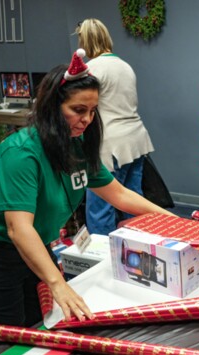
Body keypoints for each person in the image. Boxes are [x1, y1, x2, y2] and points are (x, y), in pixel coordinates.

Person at [0, 50, 175, 355]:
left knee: (40, 328)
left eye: (93, 111)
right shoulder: (20, 152)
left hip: (34, 250)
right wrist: (56, 282)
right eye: (78, 110)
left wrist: (174, 221)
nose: (88, 119)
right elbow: (18, 228)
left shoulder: (77, 146)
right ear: (53, 108)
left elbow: (118, 194)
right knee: (4, 343)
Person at [76, 18, 156, 235]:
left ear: (85, 41)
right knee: (134, 202)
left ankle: (102, 259)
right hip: (136, 140)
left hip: (110, 146)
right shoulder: (125, 66)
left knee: (100, 208)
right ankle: (138, 250)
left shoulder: (90, 68)